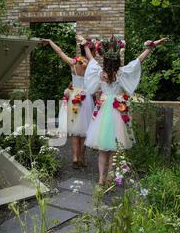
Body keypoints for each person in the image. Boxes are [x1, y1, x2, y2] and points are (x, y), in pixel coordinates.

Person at [77, 34, 168, 185]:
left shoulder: (100, 73)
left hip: (104, 110)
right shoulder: (122, 73)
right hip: (117, 110)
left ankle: (101, 178)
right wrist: (153, 45)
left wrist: (85, 44)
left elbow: (90, 59)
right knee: (114, 147)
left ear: (105, 59)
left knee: (102, 150)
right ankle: (112, 175)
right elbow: (139, 60)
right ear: (117, 59)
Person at [40, 38, 95, 169]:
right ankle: (82, 158)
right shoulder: (92, 65)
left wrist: (50, 41)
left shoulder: (73, 62)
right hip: (86, 97)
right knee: (85, 130)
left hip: (74, 96)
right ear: (90, 50)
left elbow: (59, 52)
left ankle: (75, 157)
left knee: (75, 129)